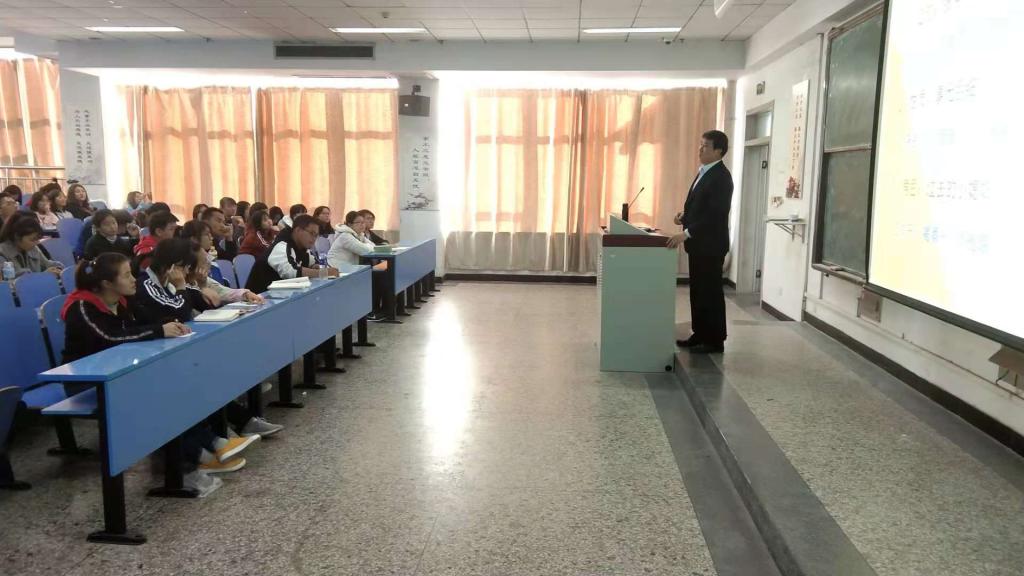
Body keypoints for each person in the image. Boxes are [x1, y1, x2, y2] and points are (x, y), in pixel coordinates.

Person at [58, 253, 234, 495]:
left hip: (120, 373)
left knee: (181, 381)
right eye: (127, 275)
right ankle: (189, 462)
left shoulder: (121, 302)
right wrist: (159, 331)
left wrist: (165, 325)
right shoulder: (82, 307)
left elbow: (137, 327)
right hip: (88, 382)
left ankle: (206, 444)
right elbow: (109, 337)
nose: (134, 279)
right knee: (159, 395)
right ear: (107, 283)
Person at [667, 130, 734, 354]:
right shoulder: (705, 172)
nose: (700, 149)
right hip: (699, 246)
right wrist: (684, 216)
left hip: (711, 247)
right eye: (701, 144)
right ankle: (700, 334)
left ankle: (714, 340)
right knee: (698, 291)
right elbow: (700, 207)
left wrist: (685, 234)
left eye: (705, 146)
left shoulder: (721, 177)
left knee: (710, 293)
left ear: (718, 151)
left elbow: (714, 215)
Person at [245, 214, 335, 294]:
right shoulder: (282, 245)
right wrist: (322, 273)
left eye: (316, 235)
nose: (314, 238)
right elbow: (291, 272)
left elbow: (312, 262)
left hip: (281, 295)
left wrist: (316, 266)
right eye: (312, 233)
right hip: (259, 298)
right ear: (298, 230)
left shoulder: (302, 246)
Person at [0, 213, 63, 278]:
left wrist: (58, 269)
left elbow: (47, 264)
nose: (37, 243)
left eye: (37, 239)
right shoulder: (2, 253)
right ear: (17, 237)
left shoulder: (33, 249)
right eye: (32, 239)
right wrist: (43, 275)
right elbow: (12, 280)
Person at [179, 219, 226, 286]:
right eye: (206, 234)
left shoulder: (213, 263)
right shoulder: (186, 264)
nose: (211, 238)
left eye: (210, 234)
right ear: (194, 239)